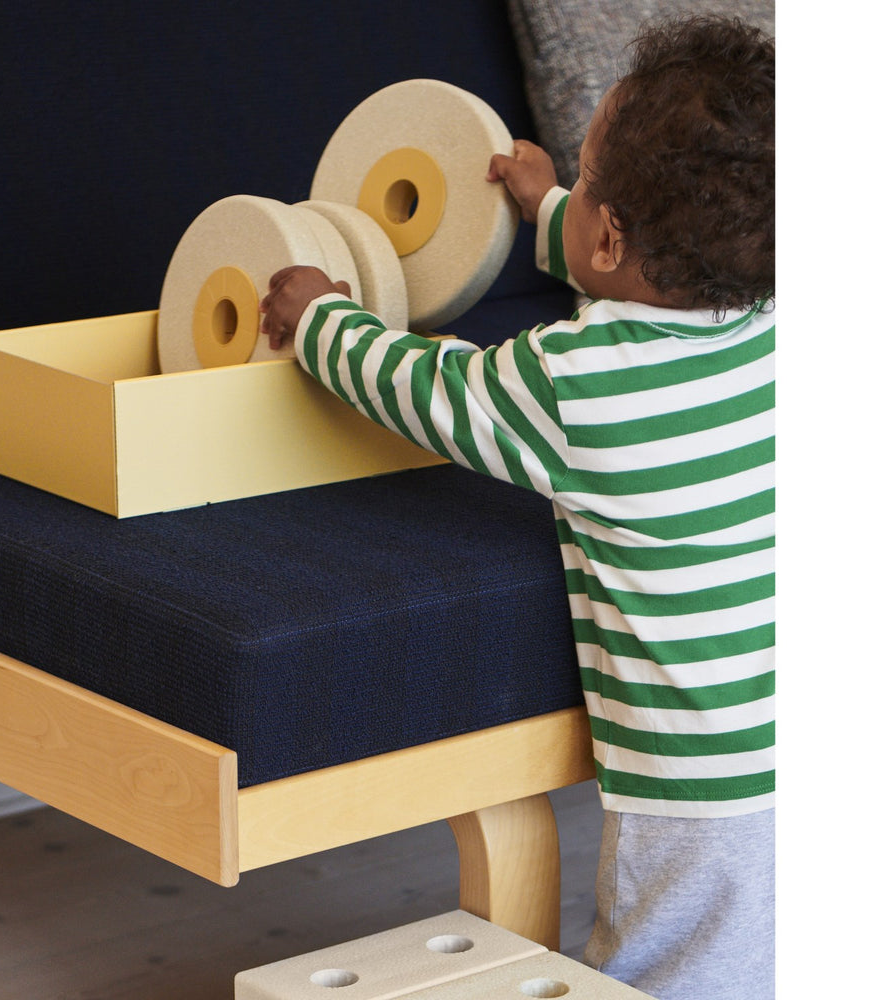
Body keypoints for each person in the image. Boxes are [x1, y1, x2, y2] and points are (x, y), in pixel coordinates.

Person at [260, 14, 775, 999]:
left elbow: (429, 389)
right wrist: (550, 207)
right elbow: (637, 276)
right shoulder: (772, 323)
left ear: (610, 234)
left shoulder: (576, 386)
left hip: (700, 790)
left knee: (666, 976)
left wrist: (320, 316)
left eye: (586, 178)